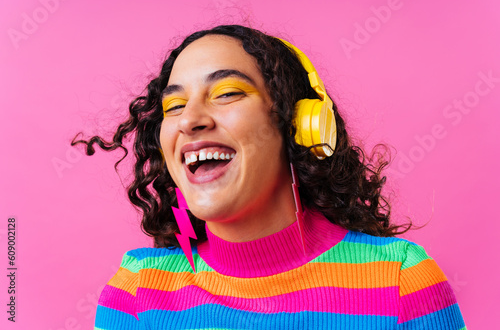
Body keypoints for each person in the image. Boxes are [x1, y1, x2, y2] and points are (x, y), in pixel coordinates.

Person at [73, 25, 466, 329]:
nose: (190, 119)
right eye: (174, 105)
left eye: (227, 93)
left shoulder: (401, 280)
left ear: (299, 125)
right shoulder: (138, 290)